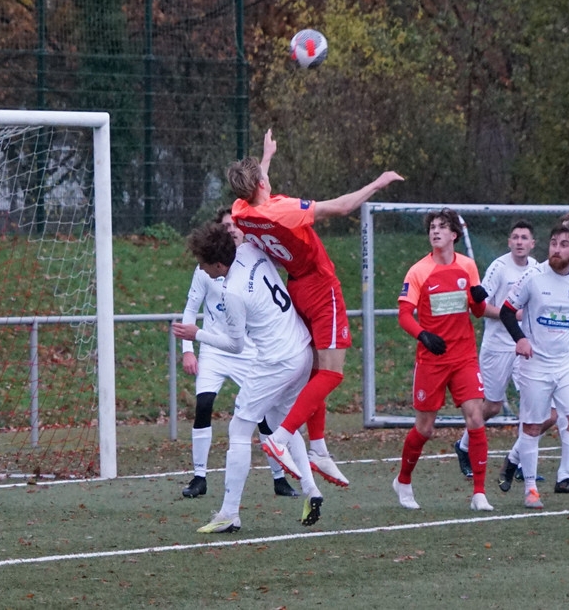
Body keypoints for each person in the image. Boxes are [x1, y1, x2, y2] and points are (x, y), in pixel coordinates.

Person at [227, 128, 404, 488]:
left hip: (296, 286)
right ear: (261, 184)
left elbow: (258, 193)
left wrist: (267, 157)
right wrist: (378, 182)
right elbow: (342, 207)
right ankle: (281, 438)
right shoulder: (284, 210)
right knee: (333, 373)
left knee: (315, 371)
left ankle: (319, 448)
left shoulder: (239, 211)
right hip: (320, 286)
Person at [172, 223, 324, 533]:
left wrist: (197, 334)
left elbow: (236, 345)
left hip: (277, 361)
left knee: (239, 429)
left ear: (218, 264)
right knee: (283, 423)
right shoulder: (251, 249)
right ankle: (311, 489)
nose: (201, 269)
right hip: (302, 350)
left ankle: (229, 514)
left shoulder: (232, 292)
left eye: (202, 264)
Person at [178, 207, 298, 499]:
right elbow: (191, 309)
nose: (232, 229)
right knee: (204, 404)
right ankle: (199, 477)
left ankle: (279, 477)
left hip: (245, 350)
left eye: (235, 224)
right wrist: (188, 350)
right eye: (226, 226)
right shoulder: (205, 269)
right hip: (214, 350)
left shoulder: (249, 260)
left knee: (263, 414)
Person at [499, 224, 569, 510]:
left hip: (568, 364)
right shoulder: (533, 277)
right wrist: (521, 339)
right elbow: (506, 312)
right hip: (535, 364)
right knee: (532, 426)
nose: (557, 249)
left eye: (563, 244)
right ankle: (531, 490)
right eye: (553, 243)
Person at [393, 208, 493, 512]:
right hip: (432, 360)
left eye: (442, 227)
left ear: (454, 235)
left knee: (475, 417)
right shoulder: (418, 271)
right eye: (432, 227)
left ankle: (479, 493)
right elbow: (403, 315)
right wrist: (423, 335)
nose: (435, 231)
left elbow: (477, 311)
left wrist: (478, 298)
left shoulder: (468, 266)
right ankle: (403, 481)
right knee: (425, 428)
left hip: (464, 356)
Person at [453, 220, 537, 480]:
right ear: (509, 242)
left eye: (524, 238)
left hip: (524, 345)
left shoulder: (536, 268)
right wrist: (511, 314)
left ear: (532, 244)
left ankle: (520, 462)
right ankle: (463, 445)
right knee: (491, 406)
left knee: (531, 403)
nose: (520, 242)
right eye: (516, 237)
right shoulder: (499, 268)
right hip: (497, 346)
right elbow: (480, 308)